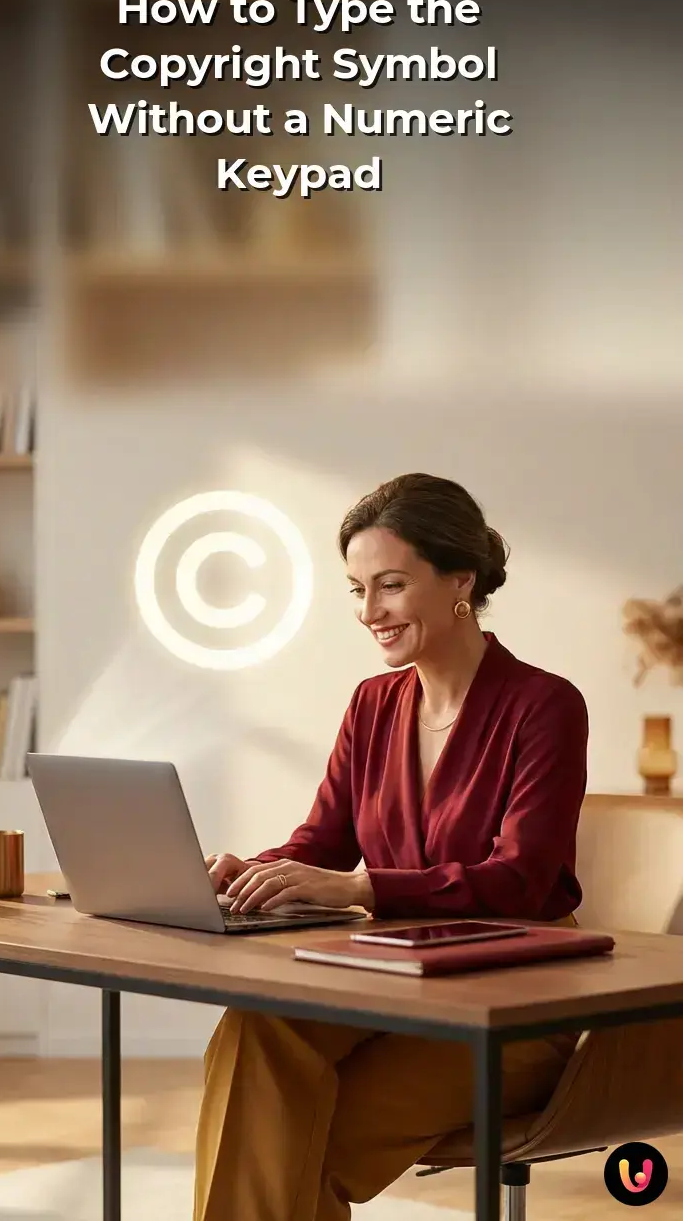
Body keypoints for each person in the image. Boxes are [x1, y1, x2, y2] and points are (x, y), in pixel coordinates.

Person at [194, 473, 588, 1221]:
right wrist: (250, 870)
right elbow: (324, 842)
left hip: (516, 1006)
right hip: (394, 985)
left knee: (287, 1146)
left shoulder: (545, 706)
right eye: (356, 589)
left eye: (391, 585)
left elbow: (521, 881)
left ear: (459, 581)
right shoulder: (374, 705)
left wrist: (363, 891)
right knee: (256, 1026)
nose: (369, 612)